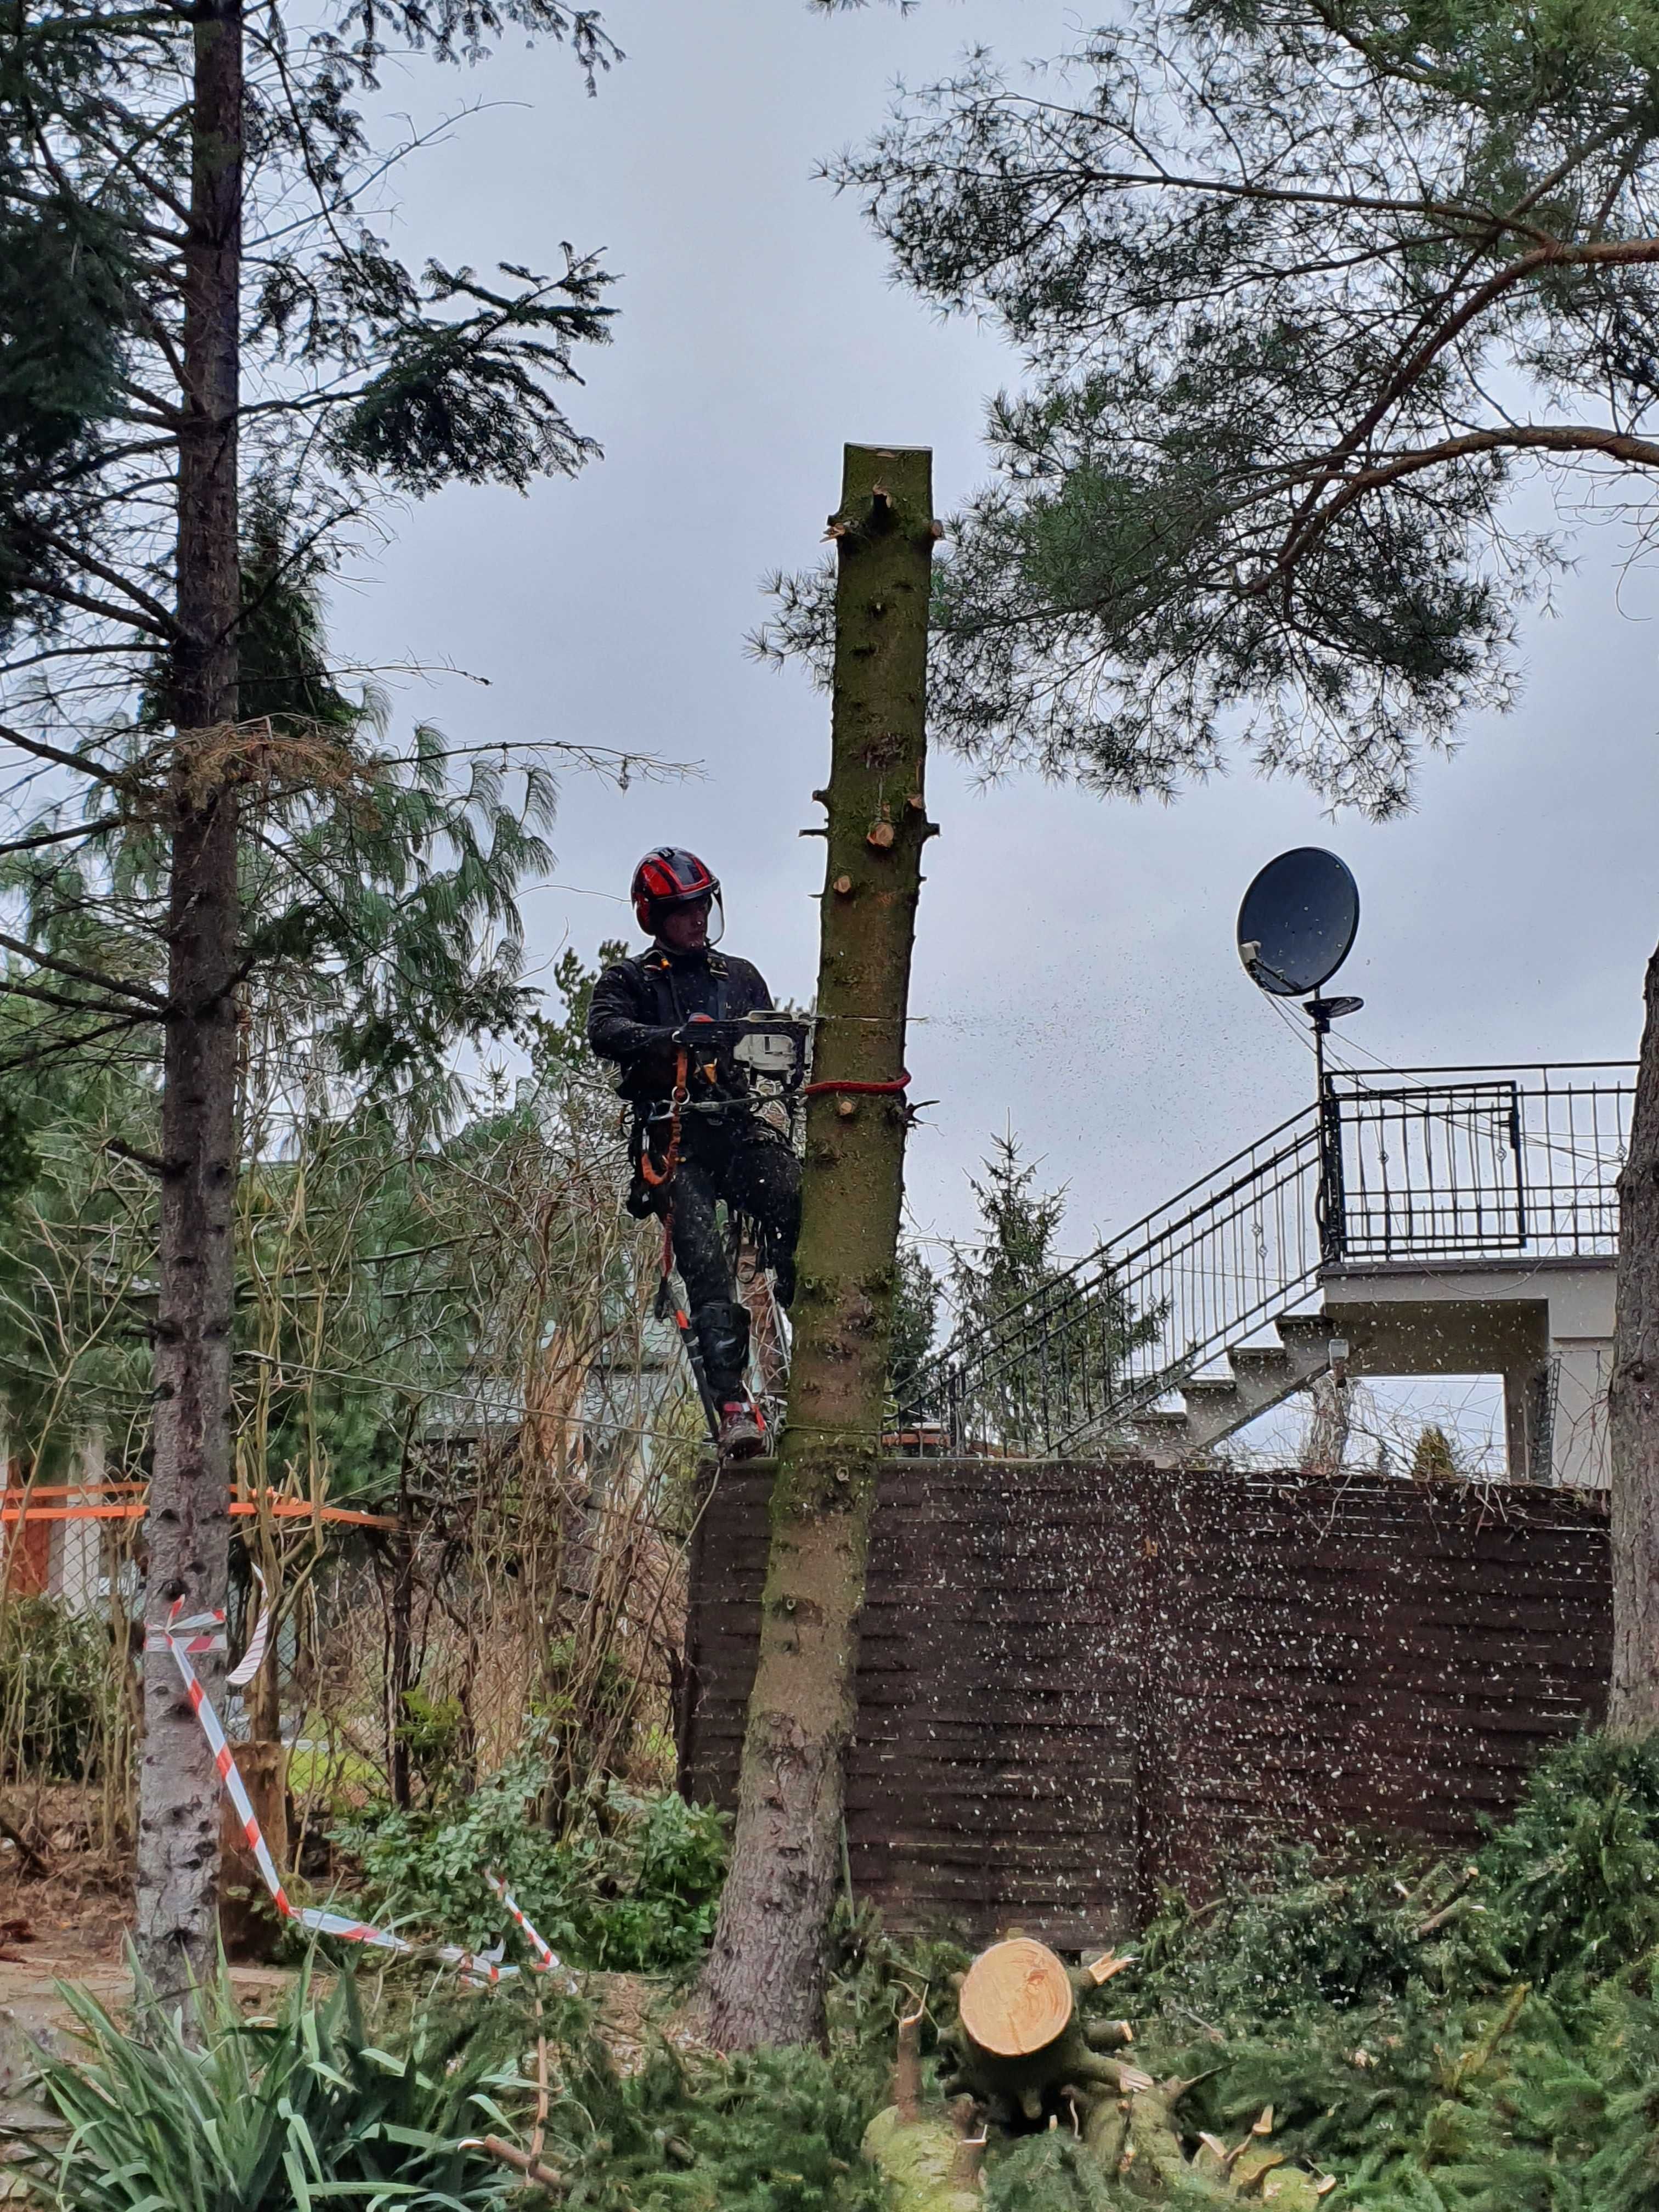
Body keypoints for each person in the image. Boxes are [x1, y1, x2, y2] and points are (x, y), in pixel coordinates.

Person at [587, 848, 802, 1458]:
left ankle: (800, 1299)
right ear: (655, 916)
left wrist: (778, 1047)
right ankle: (733, 1402)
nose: (697, 917)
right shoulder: (631, 981)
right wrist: (671, 1039)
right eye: (684, 909)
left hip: (736, 1130)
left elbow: (770, 1039)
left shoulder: (739, 976)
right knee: (705, 1264)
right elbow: (604, 1031)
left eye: (703, 904)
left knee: (796, 1194)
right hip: (676, 1141)